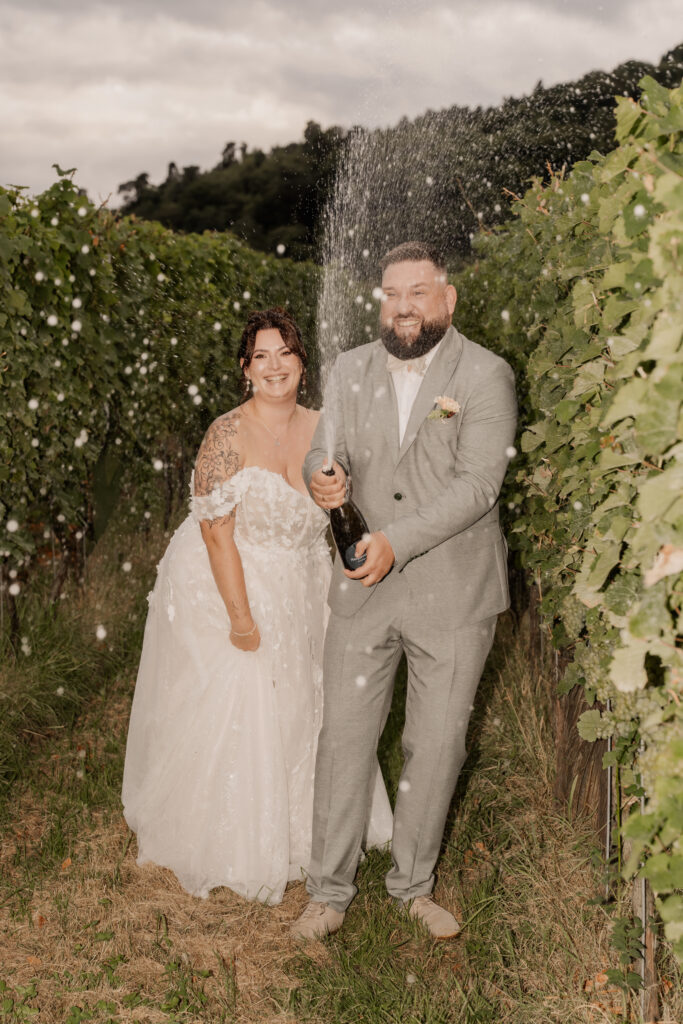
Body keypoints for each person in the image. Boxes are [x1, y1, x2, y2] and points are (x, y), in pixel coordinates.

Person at [122, 308, 392, 904]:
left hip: (307, 584)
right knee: (247, 699)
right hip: (232, 579)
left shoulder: (325, 429)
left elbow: (348, 512)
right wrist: (242, 620)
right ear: (245, 369)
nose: (274, 367)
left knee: (311, 703)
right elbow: (215, 532)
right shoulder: (226, 434)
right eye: (261, 357)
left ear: (302, 364)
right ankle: (236, 837)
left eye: (285, 353)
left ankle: (315, 830)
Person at [291, 242, 517, 940]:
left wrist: (396, 540)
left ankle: (412, 886)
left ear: (448, 299)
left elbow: (478, 486)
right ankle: (327, 893)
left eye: (419, 292)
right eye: (392, 294)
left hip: (453, 594)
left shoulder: (485, 374)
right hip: (363, 587)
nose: (404, 306)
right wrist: (320, 474)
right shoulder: (349, 368)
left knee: (437, 744)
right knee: (343, 740)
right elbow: (322, 450)